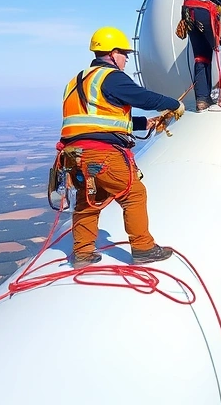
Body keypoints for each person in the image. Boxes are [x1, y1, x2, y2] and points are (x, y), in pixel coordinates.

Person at [58, 27, 185, 268]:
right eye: (124, 53)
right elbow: (143, 98)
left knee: (88, 199)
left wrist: (142, 122)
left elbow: (94, 119)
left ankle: (83, 254)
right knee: (133, 194)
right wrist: (174, 104)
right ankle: (143, 248)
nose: (126, 58)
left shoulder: (76, 81)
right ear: (113, 53)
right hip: (101, 153)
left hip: (73, 155)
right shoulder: (111, 77)